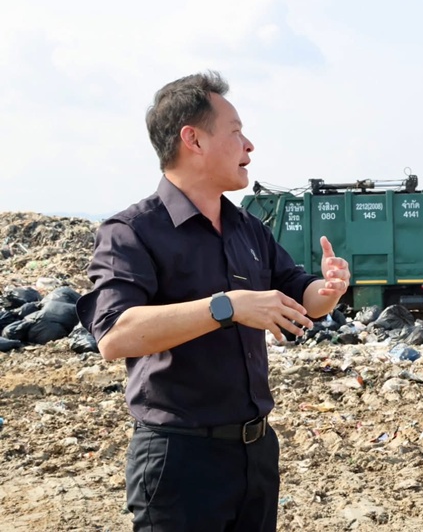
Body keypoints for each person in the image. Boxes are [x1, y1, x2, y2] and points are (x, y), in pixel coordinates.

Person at [76, 71, 350, 532]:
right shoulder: (131, 232)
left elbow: (298, 293)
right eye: (236, 131)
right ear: (194, 140)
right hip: (180, 459)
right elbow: (115, 335)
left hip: (255, 454)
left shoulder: (248, 228)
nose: (249, 146)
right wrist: (227, 306)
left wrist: (327, 291)